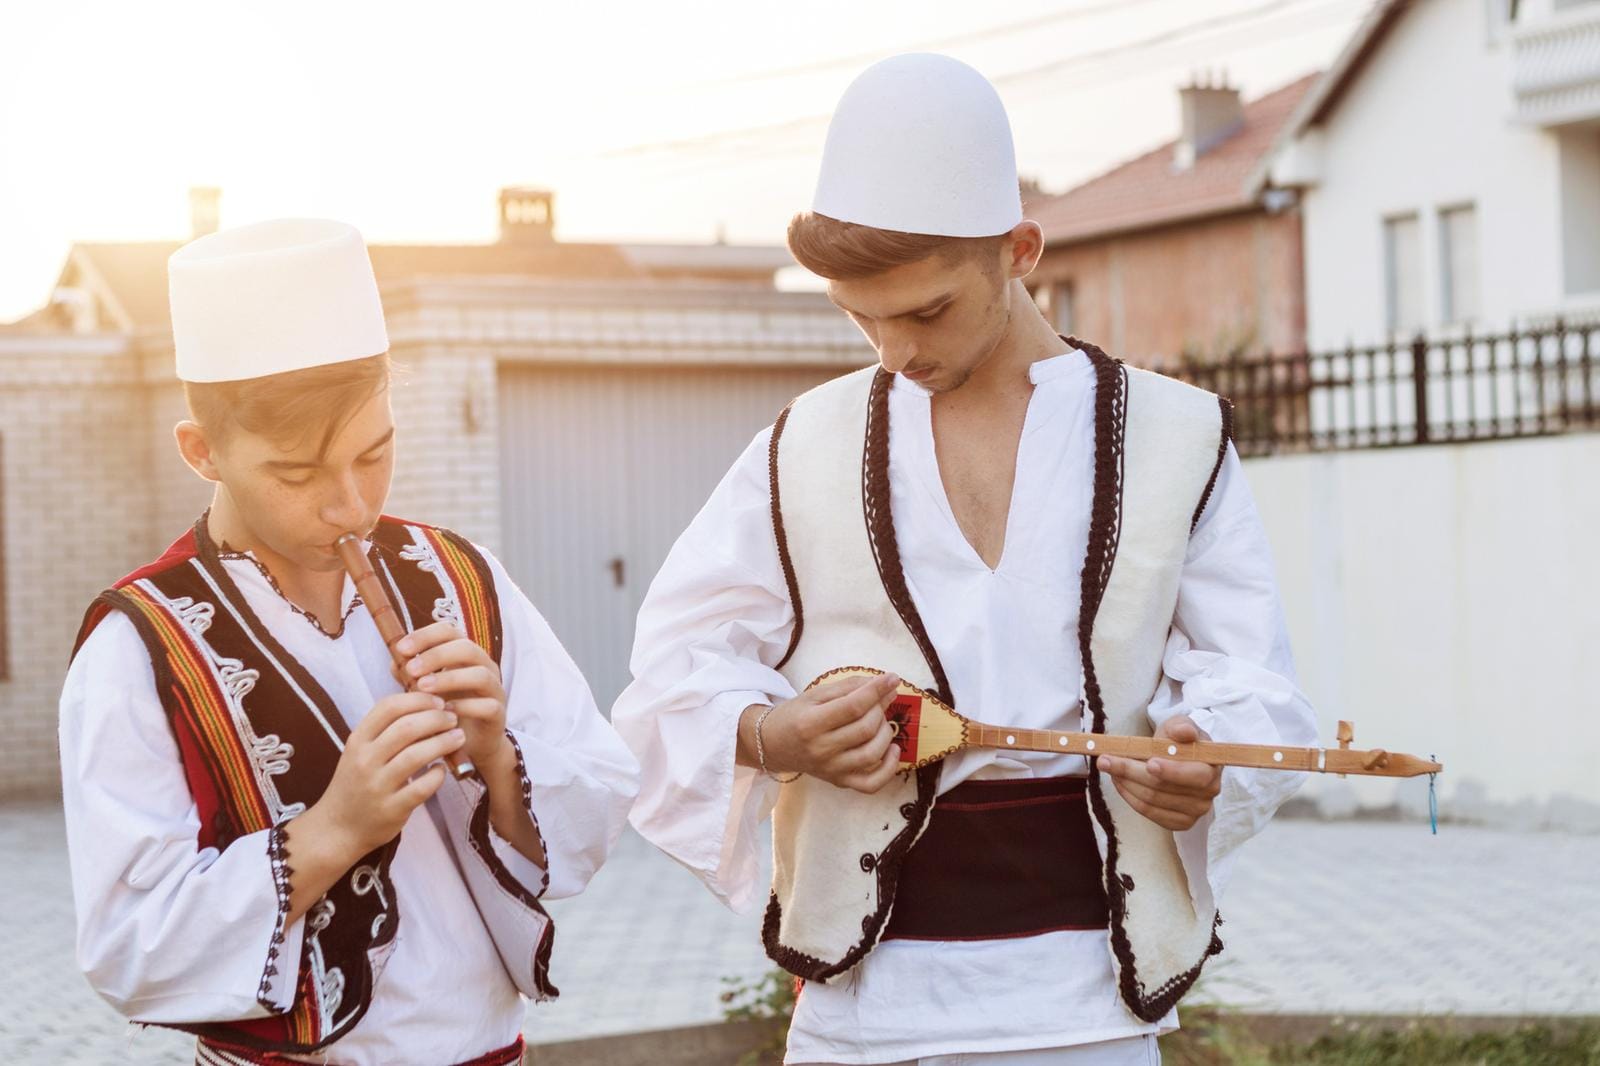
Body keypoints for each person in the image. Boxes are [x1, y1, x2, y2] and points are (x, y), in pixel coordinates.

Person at [612, 54, 1317, 1065]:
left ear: (1018, 249)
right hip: (863, 1009)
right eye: (860, 317)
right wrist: (776, 731)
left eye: (926, 311)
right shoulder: (801, 447)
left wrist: (1203, 753)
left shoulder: (1175, 437)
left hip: (1090, 1010)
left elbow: (1251, 674)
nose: (892, 350)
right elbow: (670, 673)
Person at [60, 218, 640, 1066]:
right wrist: (334, 828)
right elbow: (127, 945)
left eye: (376, 454)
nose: (350, 507)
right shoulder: (135, 646)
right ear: (201, 451)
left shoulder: (461, 576)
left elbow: (598, 797)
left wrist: (499, 754)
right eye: (297, 475)